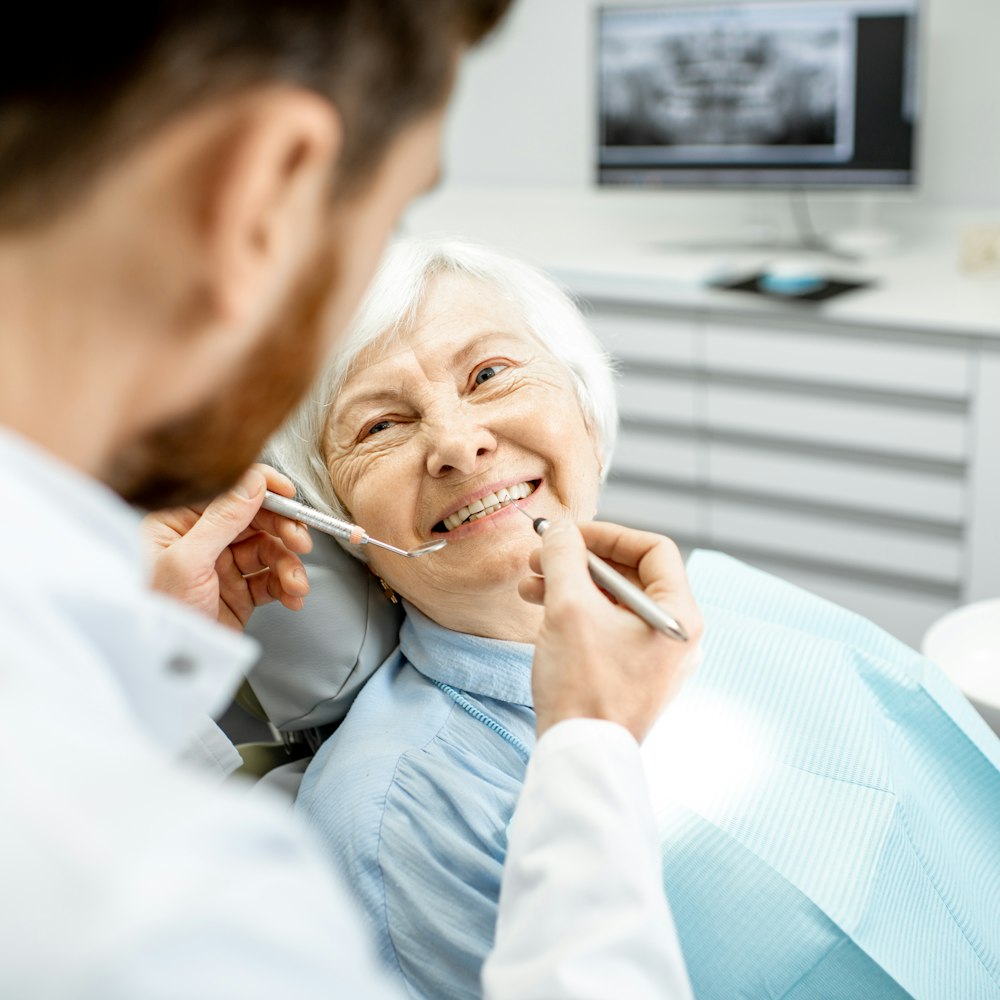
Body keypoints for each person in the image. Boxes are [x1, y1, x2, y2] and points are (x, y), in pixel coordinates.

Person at [0, 6, 703, 998]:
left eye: (493, 371)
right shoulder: (180, 898)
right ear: (266, 188)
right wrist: (587, 754)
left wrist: (139, 659)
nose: (458, 441)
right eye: (396, 208)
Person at [268, 236, 1000, 1000]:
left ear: (583, 406)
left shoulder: (732, 596)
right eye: (380, 426)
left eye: (490, 374)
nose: (458, 443)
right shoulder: (396, 815)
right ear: (339, 522)